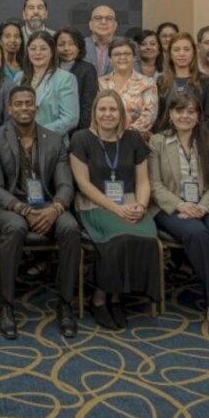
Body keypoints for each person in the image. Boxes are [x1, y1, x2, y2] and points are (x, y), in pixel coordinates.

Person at [0, 85, 79, 339]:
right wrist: (24, 209)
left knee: (70, 228)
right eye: (19, 103)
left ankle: (66, 304)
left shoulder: (54, 139)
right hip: (10, 206)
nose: (24, 108)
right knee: (15, 228)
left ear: (36, 107)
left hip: (48, 205)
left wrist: (56, 208)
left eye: (29, 103)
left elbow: (65, 185)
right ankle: (6, 306)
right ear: (9, 108)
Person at [150, 93, 209, 331]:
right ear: (170, 115)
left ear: (198, 116)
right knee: (197, 234)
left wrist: (202, 206)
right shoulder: (157, 142)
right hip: (171, 206)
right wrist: (181, 205)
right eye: (180, 111)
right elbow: (154, 185)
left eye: (191, 111)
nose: (185, 116)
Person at [70, 90, 160, 330]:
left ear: (121, 113)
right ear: (94, 113)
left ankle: (118, 297)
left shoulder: (133, 139)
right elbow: (83, 184)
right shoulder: (81, 138)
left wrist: (140, 206)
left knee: (146, 235)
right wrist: (116, 210)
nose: (107, 114)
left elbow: (143, 181)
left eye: (113, 110)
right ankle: (100, 298)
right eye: (102, 109)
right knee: (120, 238)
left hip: (130, 201)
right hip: (94, 203)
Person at [154, 32, 209, 133]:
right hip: (166, 140)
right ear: (170, 54)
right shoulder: (161, 81)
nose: (181, 54)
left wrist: (195, 138)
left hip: (198, 140)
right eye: (176, 50)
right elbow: (157, 116)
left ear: (193, 52)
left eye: (186, 49)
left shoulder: (206, 82)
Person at [97, 38, 158, 135]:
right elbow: (96, 112)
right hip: (105, 137)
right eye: (117, 54)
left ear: (134, 57)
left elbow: (149, 115)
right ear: (110, 59)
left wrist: (126, 135)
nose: (122, 57)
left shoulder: (147, 83)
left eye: (127, 54)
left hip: (136, 139)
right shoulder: (100, 83)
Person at [24, 32, 79, 135]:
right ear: (27, 51)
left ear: (52, 52)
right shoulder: (19, 77)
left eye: (43, 48)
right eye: (33, 48)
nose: (38, 53)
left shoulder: (65, 78)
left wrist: (37, 134)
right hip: (19, 143)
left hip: (50, 143)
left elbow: (70, 119)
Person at [56, 28, 99, 136]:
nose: (66, 48)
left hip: (78, 130)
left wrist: (80, 135)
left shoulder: (87, 70)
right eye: (61, 44)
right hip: (53, 129)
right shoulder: (50, 69)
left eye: (72, 44)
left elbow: (88, 107)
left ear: (79, 47)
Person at [84, 5, 118, 76]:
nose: (103, 22)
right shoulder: (80, 45)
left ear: (115, 25)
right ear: (90, 24)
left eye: (109, 18)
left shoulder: (127, 46)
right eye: (98, 18)